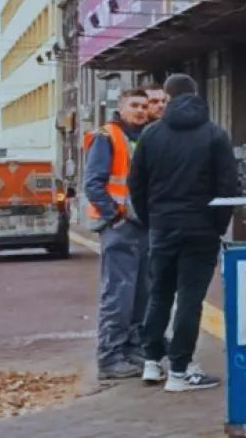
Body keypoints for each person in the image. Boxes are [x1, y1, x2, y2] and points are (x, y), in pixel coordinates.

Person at [130, 74, 239, 392]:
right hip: (201, 228)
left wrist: (152, 219)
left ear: (168, 96)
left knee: (159, 294)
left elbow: (137, 185)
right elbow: (227, 186)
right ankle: (179, 371)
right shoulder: (214, 135)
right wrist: (217, 225)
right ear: (195, 94)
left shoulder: (151, 135)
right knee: (190, 300)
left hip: (163, 227)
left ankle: (151, 362)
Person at [84, 88, 150, 380]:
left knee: (140, 294)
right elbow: (93, 184)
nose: (140, 110)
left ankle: (132, 351)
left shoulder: (142, 137)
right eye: (134, 105)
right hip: (120, 228)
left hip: (139, 226)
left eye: (144, 106)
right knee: (119, 294)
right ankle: (110, 358)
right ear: (120, 107)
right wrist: (115, 217)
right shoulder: (107, 136)